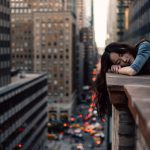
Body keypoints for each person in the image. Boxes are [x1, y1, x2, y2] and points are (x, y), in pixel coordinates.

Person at [94, 40, 150, 118]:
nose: (124, 60)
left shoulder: (144, 46)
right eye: (118, 62)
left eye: (122, 54)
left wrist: (118, 70)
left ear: (124, 48)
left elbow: (132, 70)